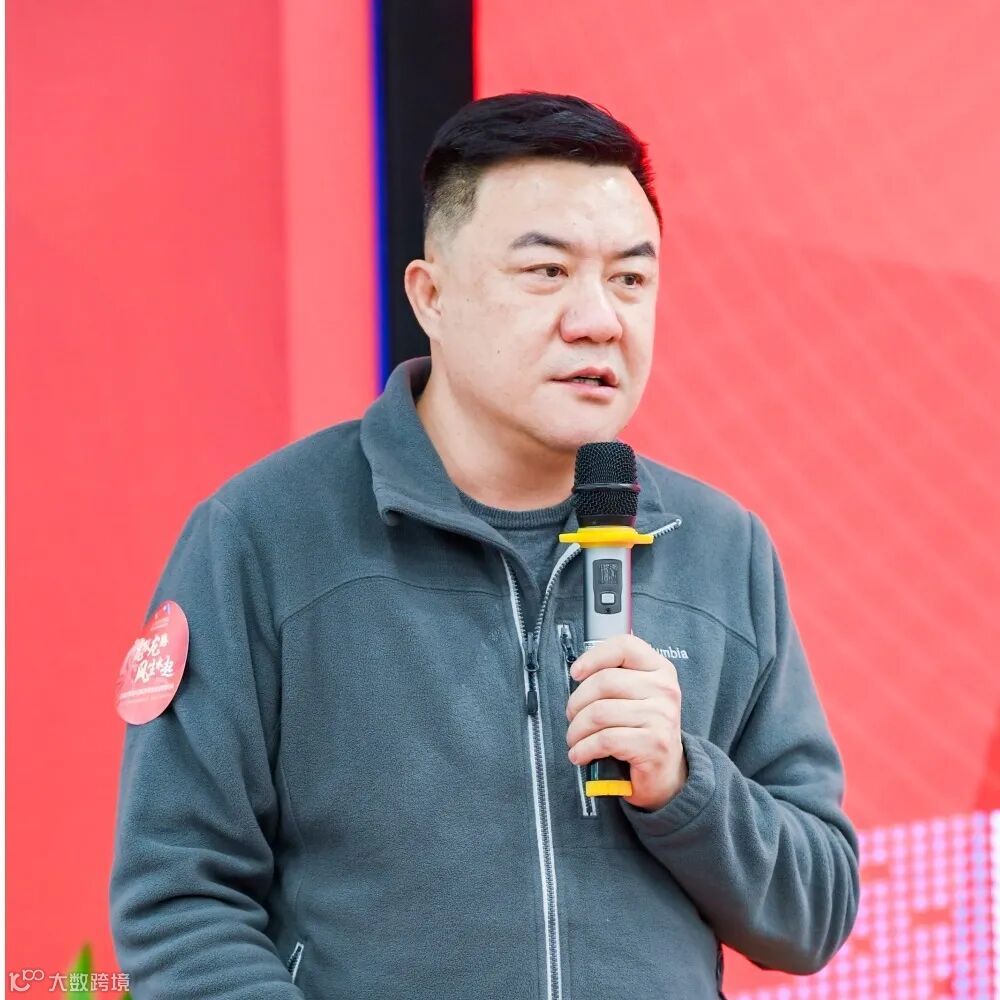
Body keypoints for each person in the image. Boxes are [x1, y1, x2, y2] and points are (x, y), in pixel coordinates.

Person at [109, 91, 860, 999]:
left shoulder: (720, 548)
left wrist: (685, 783)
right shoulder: (264, 539)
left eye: (631, 279)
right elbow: (179, 902)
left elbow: (816, 912)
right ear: (432, 297)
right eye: (547, 271)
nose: (599, 319)